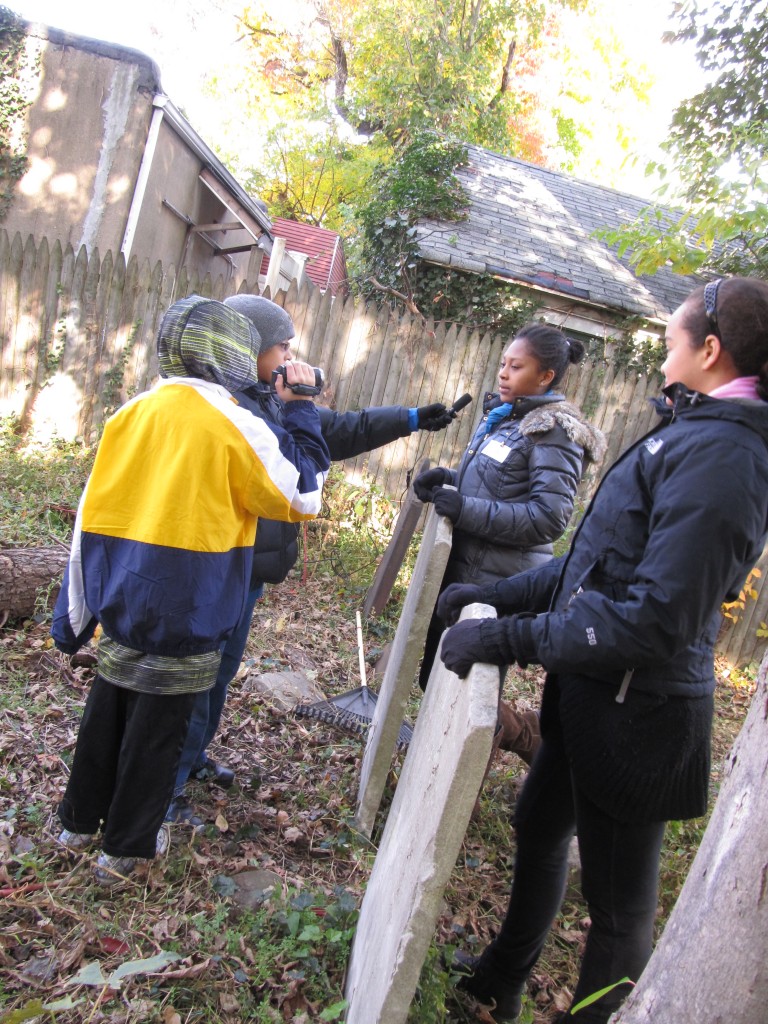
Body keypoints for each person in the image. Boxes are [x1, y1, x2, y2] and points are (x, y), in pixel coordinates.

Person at [438, 276, 768, 1023]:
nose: (661, 350)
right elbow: (597, 562)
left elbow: (653, 622)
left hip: (638, 718)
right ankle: (498, 981)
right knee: (538, 824)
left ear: (709, 351)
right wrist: (501, 601)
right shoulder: (694, 428)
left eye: (672, 337)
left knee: (618, 912)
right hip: (593, 692)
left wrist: (509, 636)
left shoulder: (727, 459)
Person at [51, 295, 330, 884]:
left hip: (122, 596)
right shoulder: (235, 421)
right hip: (189, 605)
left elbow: (87, 515)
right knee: (158, 729)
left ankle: (75, 825)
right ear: (232, 353)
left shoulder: (132, 411)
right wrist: (303, 407)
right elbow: (301, 494)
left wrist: (72, 611)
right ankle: (124, 850)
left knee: (107, 711)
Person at [166, 292, 460, 824]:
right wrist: (298, 404)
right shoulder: (231, 407)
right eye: (281, 346)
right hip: (217, 565)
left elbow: (334, 430)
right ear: (249, 344)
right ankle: (166, 790)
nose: (289, 358)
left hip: (245, 571)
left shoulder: (266, 395)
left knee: (220, 672)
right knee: (194, 679)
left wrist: (412, 417)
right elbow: (297, 465)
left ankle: (190, 759)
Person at [415, 323, 606, 763]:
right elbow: (494, 486)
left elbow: (549, 518)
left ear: (546, 378)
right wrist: (447, 481)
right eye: (503, 363)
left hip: (499, 585)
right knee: (434, 677)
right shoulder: (505, 418)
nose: (503, 373)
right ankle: (449, 759)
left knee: (464, 695)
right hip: (464, 573)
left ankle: (514, 746)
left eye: (516, 367)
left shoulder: (553, 430)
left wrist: (464, 510)